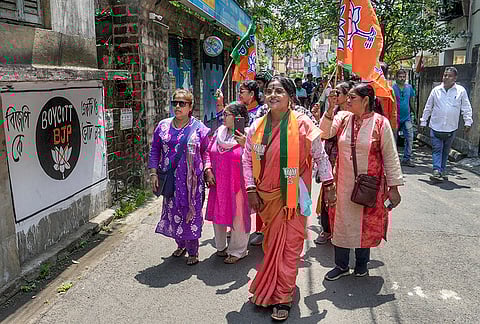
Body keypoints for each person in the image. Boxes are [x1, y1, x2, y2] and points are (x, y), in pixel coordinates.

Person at [243, 76, 333, 321]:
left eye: (279, 91)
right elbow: (247, 160)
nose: (273, 95)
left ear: (290, 97)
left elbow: (320, 156)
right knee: (271, 247)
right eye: (269, 91)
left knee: (290, 247)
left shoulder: (304, 124)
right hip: (266, 198)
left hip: (294, 198)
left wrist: (329, 184)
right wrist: (250, 189)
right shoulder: (257, 126)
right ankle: (271, 288)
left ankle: (283, 296)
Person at [319, 83, 403, 281]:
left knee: (365, 223)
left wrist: (394, 187)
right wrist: (329, 109)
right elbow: (325, 133)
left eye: (352, 98)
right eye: (347, 97)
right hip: (342, 183)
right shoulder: (343, 117)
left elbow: (390, 156)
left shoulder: (381, 123)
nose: (347, 101)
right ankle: (340, 265)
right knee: (341, 222)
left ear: (366, 100)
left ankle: (361, 265)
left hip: (369, 186)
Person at [148, 89, 211, 266]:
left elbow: (206, 152)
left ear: (190, 107)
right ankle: (180, 243)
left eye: (182, 103)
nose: (177, 106)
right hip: (170, 180)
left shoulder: (199, 129)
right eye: (175, 103)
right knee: (173, 212)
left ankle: (193, 250)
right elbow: (155, 150)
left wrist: (207, 169)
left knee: (191, 214)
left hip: (192, 183)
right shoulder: (163, 126)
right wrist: (153, 173)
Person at [204, 102, 251, 264]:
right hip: (218, 183)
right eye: (223, 114)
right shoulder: (219, 132)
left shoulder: (249, 135)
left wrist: (247, 145)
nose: (223, 117)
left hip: (238, 183)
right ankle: (221, 246)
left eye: (226, 114)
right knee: (219, 214)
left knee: (238, 216)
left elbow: (259, 157)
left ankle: (238, 251)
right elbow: (208, 153)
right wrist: (208, 169)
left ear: (238, 117)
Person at [311, 81, 354, 245]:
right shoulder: (333, 111)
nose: (335, 96)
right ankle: (326, 229)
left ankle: (344, 229)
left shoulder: (355, 114)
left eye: (339, 93)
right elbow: (323, 133)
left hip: (350, 161)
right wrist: (326, 110)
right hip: (331, 159)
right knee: (327, 192)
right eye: (334, 92)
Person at [420, 66, 473, 182]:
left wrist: (468, 122)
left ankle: (442, 170)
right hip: (436, 126)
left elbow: (466, 107)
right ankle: (436, 170)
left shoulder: (460, 91)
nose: (446, 77)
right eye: (445, 75)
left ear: (455, 78)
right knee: (437, 149)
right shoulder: (436, 90)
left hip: (451, 128)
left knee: (445, 151)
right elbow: (428, 107)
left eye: (449, 76)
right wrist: (423, 121)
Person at [392, 69, 416, 167]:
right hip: (394, 117)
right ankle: (394, 159)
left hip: (407, 117)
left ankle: (407, 159)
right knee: (394, 139)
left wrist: (415, 113)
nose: (402, 79)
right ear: (396, 77)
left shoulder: (409, 88)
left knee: (410, 138)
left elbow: (411, 101)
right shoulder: (392, 88)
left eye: (403, 77)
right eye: (400, 77)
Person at [378, 63, 398, 139]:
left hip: (386, 125)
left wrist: (392, 128)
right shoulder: (368, 88)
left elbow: (393, 111)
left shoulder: (389, 90)